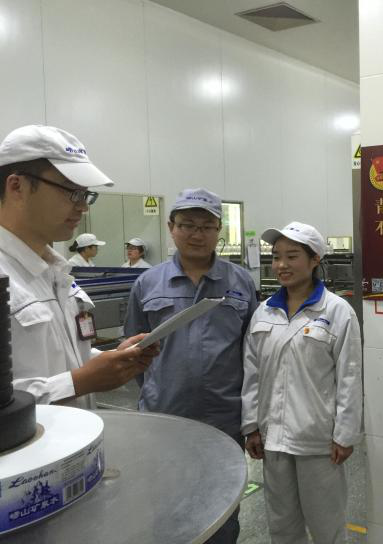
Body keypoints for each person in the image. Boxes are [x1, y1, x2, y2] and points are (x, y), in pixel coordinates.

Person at [124, 187, 257, 544]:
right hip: (165, 417)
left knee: (222, 508)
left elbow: (253, 353)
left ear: (218, 231)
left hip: (225, 418)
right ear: (171, 227)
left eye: (207, 226)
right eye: (187, 225)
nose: (197, 234)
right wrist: (159, 389)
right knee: (167, 503)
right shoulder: (147, 283)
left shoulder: (241, 282)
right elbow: (133, 353)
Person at [0, 124, 157, 409]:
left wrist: (107, 361)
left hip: (78, 435)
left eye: (86, 195)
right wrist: (80, 381)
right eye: (72, 192)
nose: (83, 207)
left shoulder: (55, 273)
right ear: (16, 186)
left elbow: (62, 361)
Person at [241, 221, 362, 544]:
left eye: (292, 256)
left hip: (317, 441)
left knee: (326, 527)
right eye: (276, 256)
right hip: (273, 438)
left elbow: (350, 376)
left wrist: (345, 435)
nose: (281, 264)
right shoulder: (264, 312)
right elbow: (252, 373)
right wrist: (251, 426)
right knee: (282, 526)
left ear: (314, 260)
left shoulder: (337, 312)